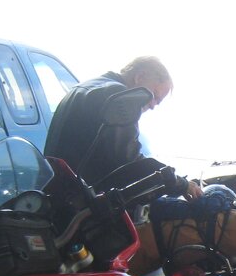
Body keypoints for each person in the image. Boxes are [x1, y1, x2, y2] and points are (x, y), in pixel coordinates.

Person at [43, 55, 202, 198]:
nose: (153, 105)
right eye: (154, 96)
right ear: (139, 77)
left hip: (62, 192)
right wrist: (181, 184)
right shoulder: (118, 95)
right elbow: (129, 161)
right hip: (85, 201)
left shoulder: (86, 86)